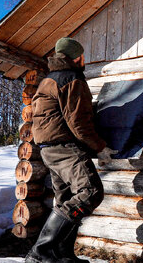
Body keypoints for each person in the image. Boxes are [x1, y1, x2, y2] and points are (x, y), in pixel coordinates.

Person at [26, 37, 115, 263]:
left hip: (48, 150)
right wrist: (100, 147)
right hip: (64, 148)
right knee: (90, 191)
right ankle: (41, 252)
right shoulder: (72, 78)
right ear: (77, 57)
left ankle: (61, 254)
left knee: (65, 198)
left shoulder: (48, 80)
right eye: (83, 56)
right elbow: (79, 123)